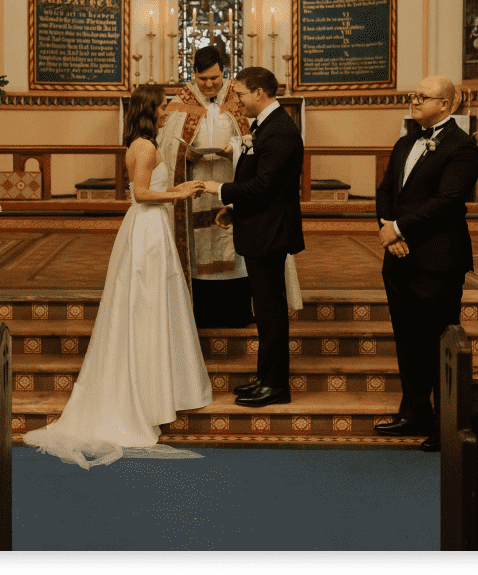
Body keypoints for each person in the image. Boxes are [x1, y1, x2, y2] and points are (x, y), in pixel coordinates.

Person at [23, 85, 212, 469]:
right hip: (146, 229)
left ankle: (155, 391)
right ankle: (142, 397)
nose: (165, 114)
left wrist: (178, 189)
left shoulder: (143, 143)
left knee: (153, 307)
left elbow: (150, 190)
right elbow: (141, 194)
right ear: (149, 110)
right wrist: (177, 196)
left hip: (151, 227)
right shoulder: (143, 146)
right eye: (162, 108)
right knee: (144, 308)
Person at [374, 76, 478, 452]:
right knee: (407, 340)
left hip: (437, 258)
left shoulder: (462, 147)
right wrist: (388, 228)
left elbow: (448, 201)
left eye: (423, 96)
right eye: (413, 95)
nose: (414, 100)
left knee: (438, 343)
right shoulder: (405, 141)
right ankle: (414, 412)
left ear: (447, 105)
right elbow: (385, 189)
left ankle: (444, 423)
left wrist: (400, 228)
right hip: (399, 258)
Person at [202, 67, 305, 407]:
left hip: (270, 232)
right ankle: (265, 377)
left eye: (242, 94)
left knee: (271, 311)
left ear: (260, 93)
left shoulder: (280, 131)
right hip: (260, 227)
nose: (238, 101)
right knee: (264, 310)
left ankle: (276, 385)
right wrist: (234, 210)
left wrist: (220, 190)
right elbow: (261, 182)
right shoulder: (265, 127)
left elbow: (264, 186)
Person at [157, 45, 254, 328]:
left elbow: (254, 142)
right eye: (203, 79)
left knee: (233, 247)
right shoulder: (179, 103)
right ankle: (199, 313)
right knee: (199, 250)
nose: (210, 84)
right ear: (193, 74)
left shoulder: (239, 100)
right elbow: (165, 147)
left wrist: (232, 149)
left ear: (224, 72)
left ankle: (237, 312)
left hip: (230, 187)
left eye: (215, 78)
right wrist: (182, 155)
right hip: (195, 191)